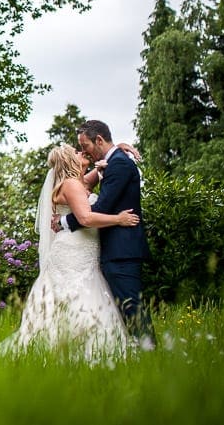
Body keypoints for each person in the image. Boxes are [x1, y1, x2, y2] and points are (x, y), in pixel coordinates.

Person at [0, 143, 139, 361]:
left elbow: (96, 175)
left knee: (77, 294)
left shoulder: (75, 181)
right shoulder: (71, 185)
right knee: (77, 294)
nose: (82, 153)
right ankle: (78, 350)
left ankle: (71, 347)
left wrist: (117, 148)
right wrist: (119, 219)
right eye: (77, 152)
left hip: (79, 248)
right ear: (70, 160)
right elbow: (86, 219)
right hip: (73, 250)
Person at [54, 119, 156, 350]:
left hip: (122, 250)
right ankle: (141, 350)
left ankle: (150, 352)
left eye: (85, 145)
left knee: (132, 305)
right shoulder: (108, 165)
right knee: (123, 306)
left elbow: (97, 211)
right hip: (111, 250)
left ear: (98, 140)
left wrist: (62, 221)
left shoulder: (118, 164)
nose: (83, 151)